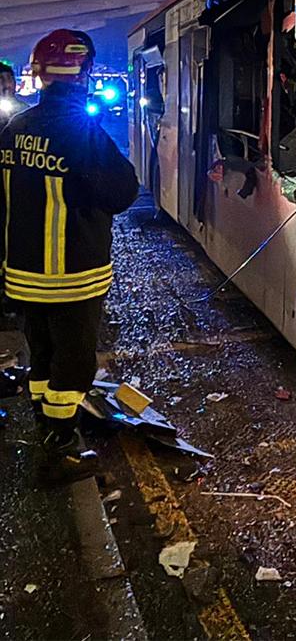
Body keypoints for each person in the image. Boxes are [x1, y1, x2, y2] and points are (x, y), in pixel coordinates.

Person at [1, 29, 140, 483]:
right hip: (72, 275)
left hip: (21, 274)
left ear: (39, 74)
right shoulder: (82, 131)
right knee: (75, 358)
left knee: (40, 351)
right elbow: (121, 192)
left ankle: (46, 420)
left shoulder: (15, 128)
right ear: (84, 73)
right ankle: (61, 444)